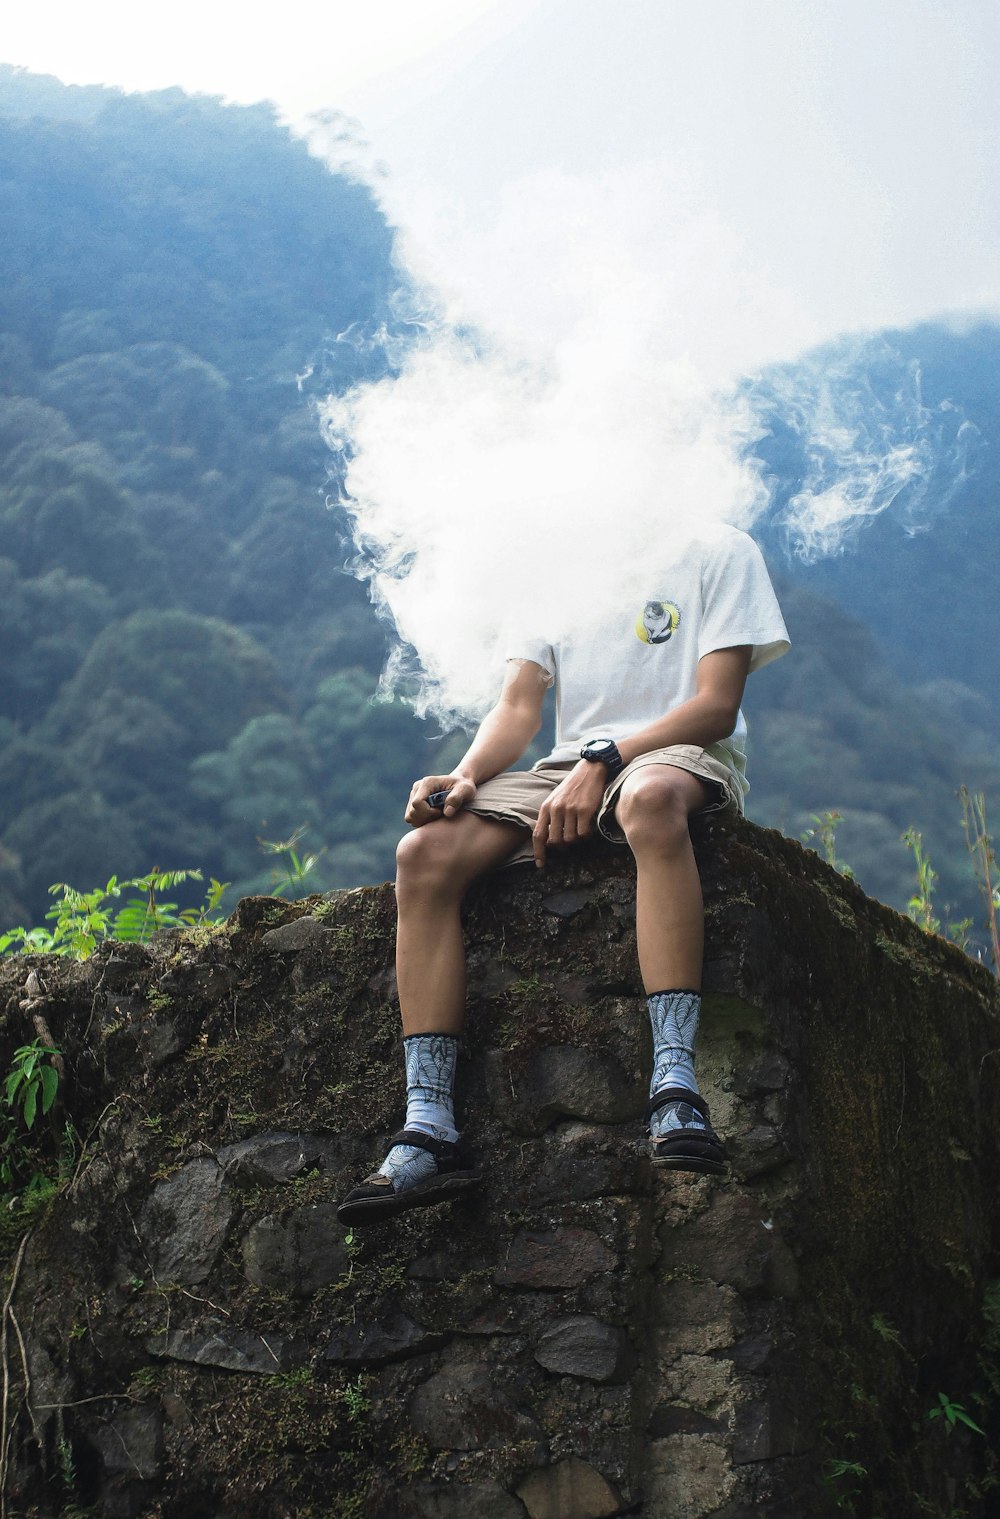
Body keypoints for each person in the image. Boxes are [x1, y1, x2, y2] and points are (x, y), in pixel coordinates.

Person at [337, 521, 790, 1226]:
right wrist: (465, 774)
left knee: (648, 798)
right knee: (421, 855)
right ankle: (429, 1124)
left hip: (670, 757)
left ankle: (676, 1088)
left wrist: (607, 759)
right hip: (566, 769)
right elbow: (520, 706)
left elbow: (715, 707)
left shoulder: (718, 548)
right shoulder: (554, 559)